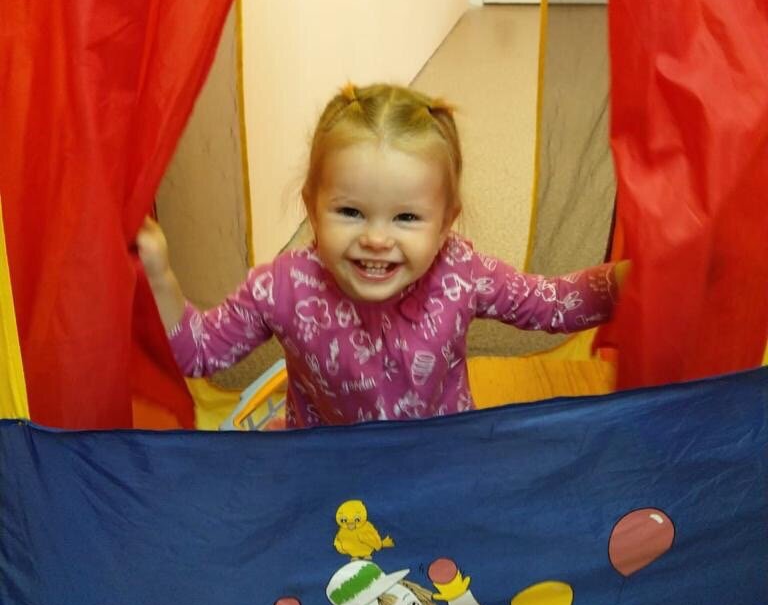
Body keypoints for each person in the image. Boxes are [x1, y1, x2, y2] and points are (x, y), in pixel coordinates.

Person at [138, 83, 628, 428]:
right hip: (331, 472)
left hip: (438, 459)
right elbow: (198, 351)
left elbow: (552, 304)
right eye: (350, 212)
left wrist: (634, 278)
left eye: (406, 218)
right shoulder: (283, 287)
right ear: (311, 208)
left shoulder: (460, 271)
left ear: (446, 223)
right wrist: (158, 274)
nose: (376, 239)